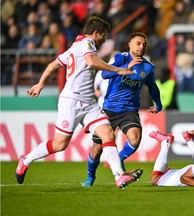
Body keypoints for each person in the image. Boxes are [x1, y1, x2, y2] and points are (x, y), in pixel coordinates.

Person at [15, 16, 143, 189]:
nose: (104, 39)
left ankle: (119, 176)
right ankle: (26, 159)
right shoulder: (87, 43)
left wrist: (40, 84)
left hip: (89, 103)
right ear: (95, 33)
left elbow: (53, 65)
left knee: (107, 134)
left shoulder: (74, 48)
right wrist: (117, 70)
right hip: (72, 101)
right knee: (60, 144)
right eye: (103, 35)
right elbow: (91, 61)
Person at [82, 32, 162, 187]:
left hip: (129, 110)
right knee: (96, 150)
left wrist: (158, 103)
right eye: (138, 43)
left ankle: (116, 160)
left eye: (144, 44)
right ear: (130, 44)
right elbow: (105, 73)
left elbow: (153, 87)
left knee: (135, 137)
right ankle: (90, 176)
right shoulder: (120, 58)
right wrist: (126, 67)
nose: (141, 47)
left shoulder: (148, 67)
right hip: (109, 109)